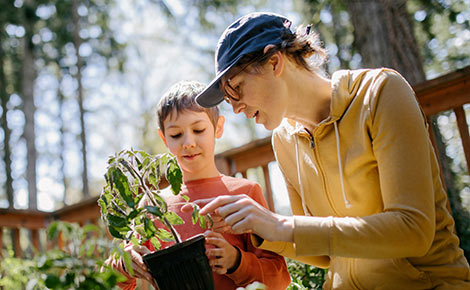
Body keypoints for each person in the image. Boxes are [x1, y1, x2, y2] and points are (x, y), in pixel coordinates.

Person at [186, 12, 470, 289]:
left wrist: (282, 224)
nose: (235, 108)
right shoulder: (284, 140)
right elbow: (323, 255)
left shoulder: (379, 93)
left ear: (274, 62)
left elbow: (413, 230)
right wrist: (259, 228)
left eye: (236, 88)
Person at [107, 80, 291, 290]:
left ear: (218, 127)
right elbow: (110, 280)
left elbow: (279, 279)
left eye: (198, 130)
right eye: (176, 135)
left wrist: (236, 261)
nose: (188, 143)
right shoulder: (152, 205)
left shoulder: (244, 193)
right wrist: (123, 264)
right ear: (164, 138)